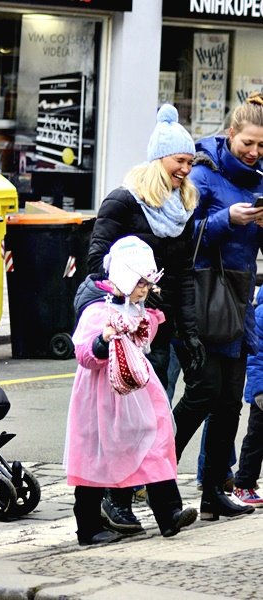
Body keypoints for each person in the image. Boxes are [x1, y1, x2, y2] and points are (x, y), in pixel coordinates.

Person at [85, 103, 205, 534]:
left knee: (161, 415)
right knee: (136, 420)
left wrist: (189, 334)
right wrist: (137, 291)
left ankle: (141, 503)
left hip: (162, 322)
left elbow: (185, 275)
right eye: (180, 161)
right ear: (159, 160)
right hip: (125, 325)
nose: (186, 171)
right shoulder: (123, 201)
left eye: (190, 162)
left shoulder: (182, 207)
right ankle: (117, 502)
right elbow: (97, 262)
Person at [66, 236, 197, 546]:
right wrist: (104, 340)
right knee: (96, 454)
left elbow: (145, 338)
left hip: (136, 389)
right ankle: (88, 525)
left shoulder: (138, 307)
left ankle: (169, 513)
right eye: (140, 281)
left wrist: (143, 326)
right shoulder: (98, 311)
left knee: (154, 437)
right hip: (101, 395)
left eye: (148, 282)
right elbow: (84, 354)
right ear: (124, 276)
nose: (145, 288)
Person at [171, 93, 263, 521]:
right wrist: (231, 219)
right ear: (231, 135)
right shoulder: (204, 175)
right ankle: (152, 478)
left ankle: (212, 492)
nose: (255, 152)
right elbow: (185, 239)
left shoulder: (260, 179)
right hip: (206, 297)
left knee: (229, 403)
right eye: (248, 143)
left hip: (240, 300)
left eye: (262, 146)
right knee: (201, 395)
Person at [232, 285, 263, 506]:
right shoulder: (261, 314)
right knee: (256, 439)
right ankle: (243, 483)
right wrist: (259, 389)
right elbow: (256, 357)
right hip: (262, 392)